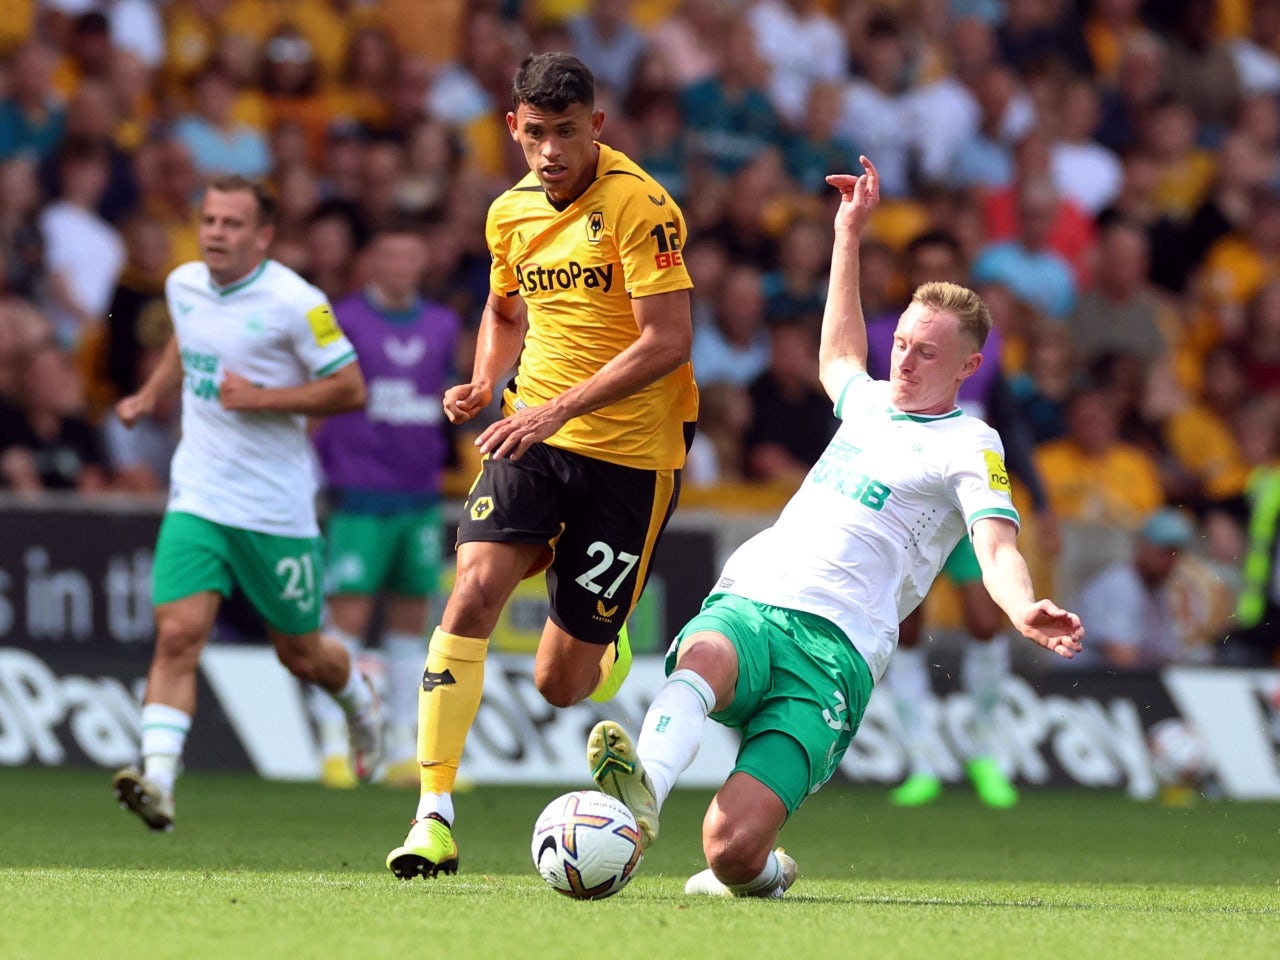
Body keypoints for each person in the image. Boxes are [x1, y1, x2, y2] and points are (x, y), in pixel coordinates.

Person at [586, 157, 1083, 898]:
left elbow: (995, 544)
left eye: (927, 352)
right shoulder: (871, 400)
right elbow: (839, 353)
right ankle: (639, 800)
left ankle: (764, 870)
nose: (906, 359)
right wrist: (847, 233)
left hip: (837, 651)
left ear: (969, 365)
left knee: (728, 850)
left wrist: (1021, 606)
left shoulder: (971, 443)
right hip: (758, 595)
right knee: (705, 654)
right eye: (904, 343)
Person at [385, 52, 698, 880]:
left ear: (596, 126)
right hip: (534, 431)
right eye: (535, 134)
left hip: (632, 454)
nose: (551, 150)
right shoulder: (509, 214)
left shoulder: (641, 206)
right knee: (474, 589)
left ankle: (609, 646)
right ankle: (433, 815)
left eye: (566, 132)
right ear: (512, 130)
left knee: (564, 682)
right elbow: (501, 307)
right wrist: (489, 378)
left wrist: (561, 407)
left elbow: (669, 341)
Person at [110, 175, 381, 832]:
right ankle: (160, 780)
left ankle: (358, 703)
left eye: (232, 224)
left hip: (274, 509)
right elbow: (188, 336)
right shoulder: (183, 285)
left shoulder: (297, 302)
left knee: (302, 654)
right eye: (208, 221)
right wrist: (150, 395)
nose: (215, 234)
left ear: (262, 236)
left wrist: (261, 398)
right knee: (177, 635)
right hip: (198, 493)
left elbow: (350, 389)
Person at [309, 217, 463, 789]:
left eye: (410, 256)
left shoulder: (444, 324)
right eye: (389, 256)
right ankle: (333, 745)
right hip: (358, 492)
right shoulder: (342, 318)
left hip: (419, 492)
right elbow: (321, 394)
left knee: (410, 623)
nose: (400, 267)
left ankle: (404, 750)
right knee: (345, 619)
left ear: (422, 263)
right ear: (372, 261)